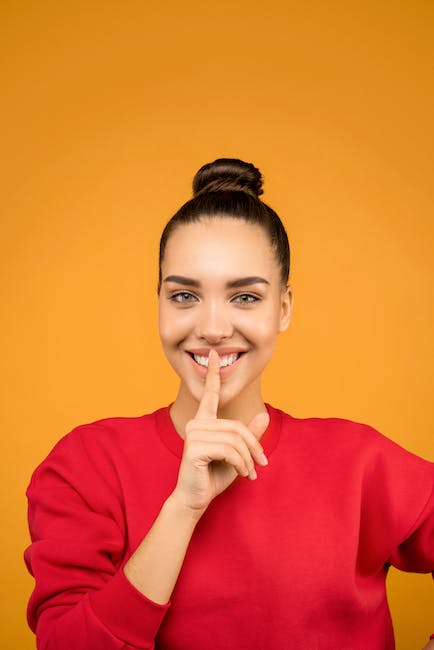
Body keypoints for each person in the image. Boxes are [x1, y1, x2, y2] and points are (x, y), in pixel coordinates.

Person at [24, 158, 434, 650]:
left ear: (283, 307)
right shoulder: (85, 466)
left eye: (244, 297)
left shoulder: (361, 462)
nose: (214, 327)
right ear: (158, 300)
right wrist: (182, 508)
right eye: (184, 296)